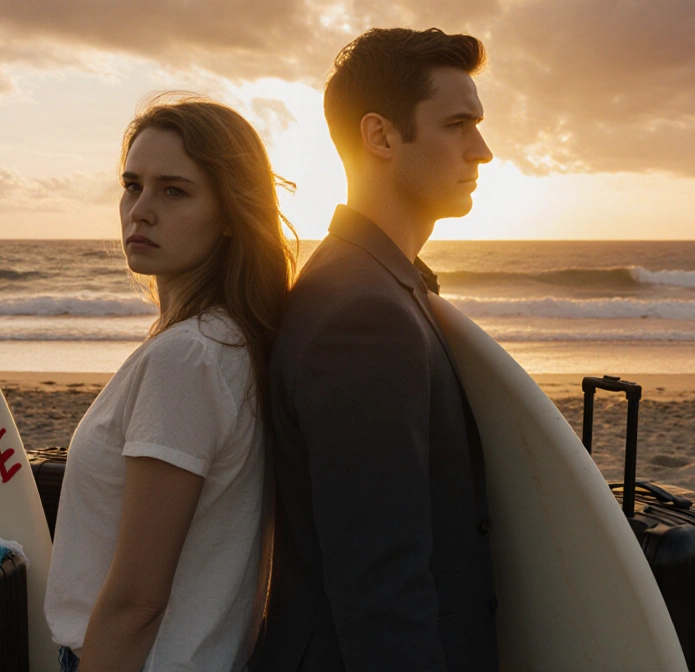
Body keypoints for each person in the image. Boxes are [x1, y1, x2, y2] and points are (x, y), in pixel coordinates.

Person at [255, 28, 500, 671]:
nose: (484, 151)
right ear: (381, 136)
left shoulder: (371, 279)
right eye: (457, 124)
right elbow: (380, 585)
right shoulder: (363, 314)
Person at [44, 95, 294, 672]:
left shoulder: (190, 358)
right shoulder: (226, 341)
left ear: (231, 213)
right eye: (133, 185)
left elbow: (137, 599)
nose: (140, 210)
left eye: (174, 190)